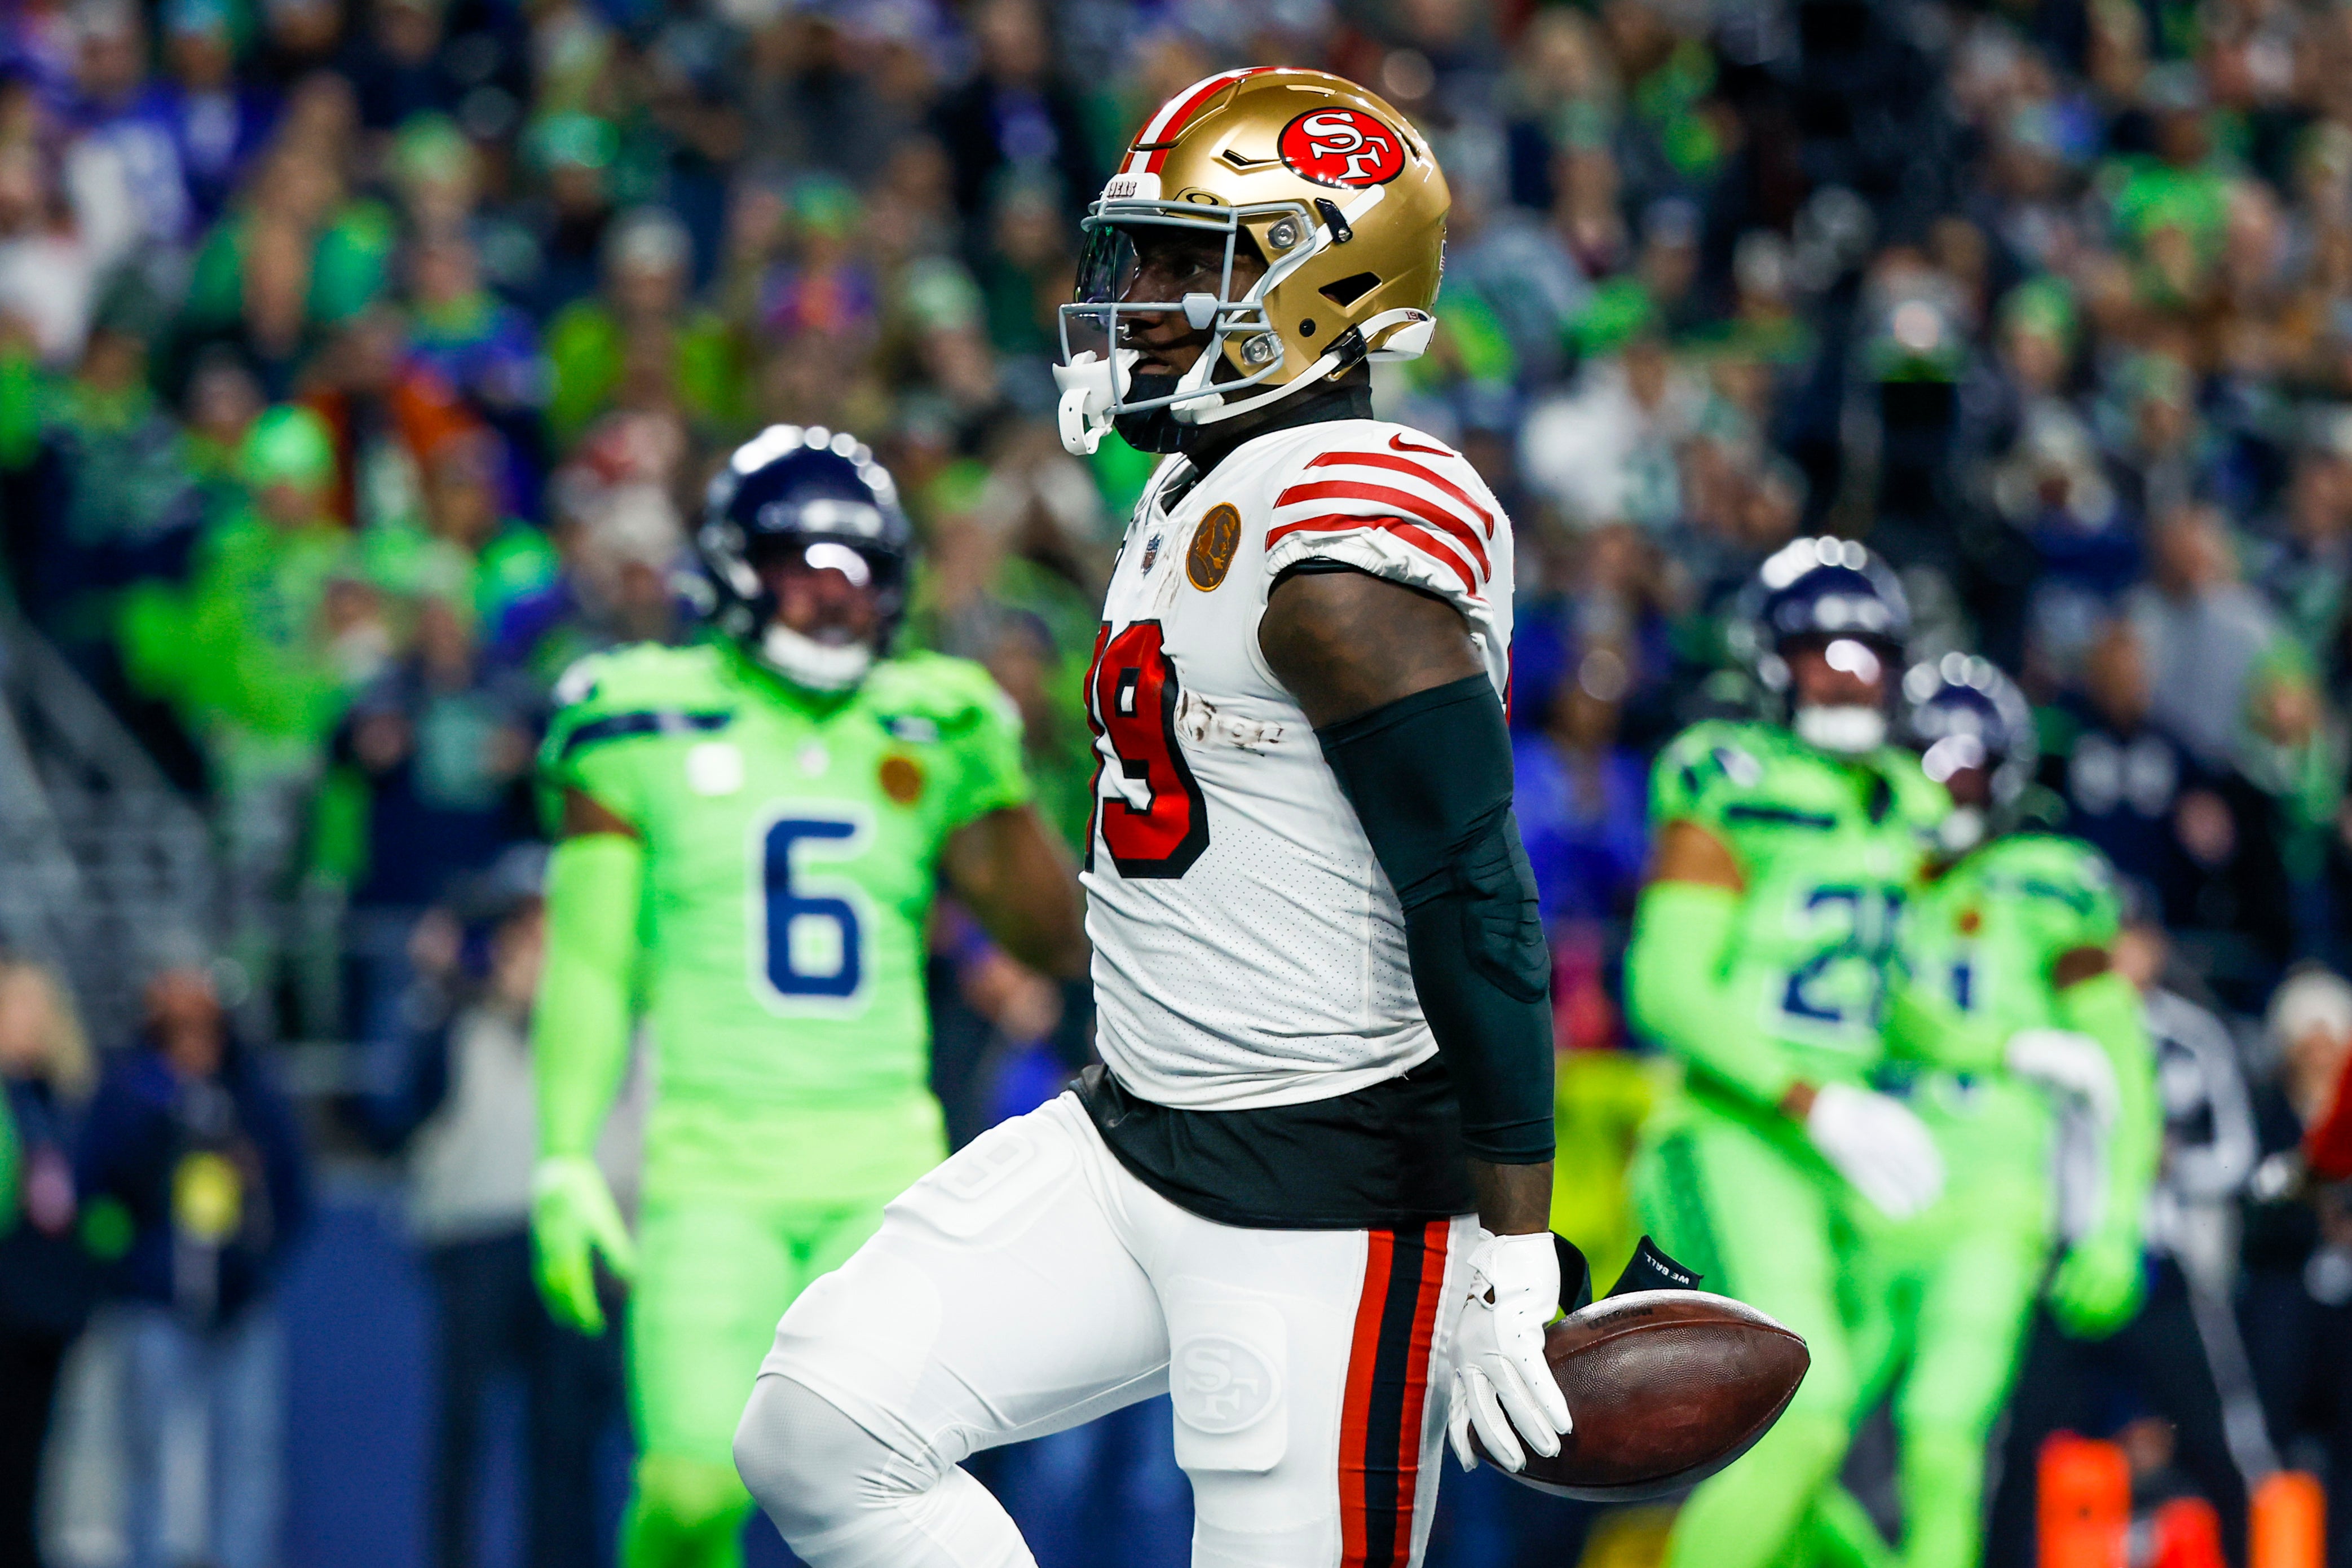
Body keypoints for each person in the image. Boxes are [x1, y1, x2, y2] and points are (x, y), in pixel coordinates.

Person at [737, 68, 1569, 1568]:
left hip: (1329, 1195)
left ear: (1326, 284)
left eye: (1193, 262)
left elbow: (1475, 887)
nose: (1141, 301)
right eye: (1142, 258)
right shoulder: (1202, 479)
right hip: (1135, 1135)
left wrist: (1514, 1243)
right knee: (822, 1425)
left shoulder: (1340, 548)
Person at [528, 424, 1087, 1568]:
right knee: (689, 1488)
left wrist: (1005, 776)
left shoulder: (935, 717)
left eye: (857, 571)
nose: (833, 597)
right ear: (735, 569)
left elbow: (1054, 941)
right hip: (710, 1169)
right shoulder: (639, 713)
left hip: (884, 1170)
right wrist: (564, 1152)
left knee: (893, 1494)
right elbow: (589, 958)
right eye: (803, 567)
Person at [1623, 536, 1949, 1568]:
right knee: (1805, 1409)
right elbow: (1666, 985)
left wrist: (2013, 1051)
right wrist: (1813, 1099)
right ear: (1768, 661)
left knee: (1815, 1439)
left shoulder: (1907, 800)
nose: (1847, 676)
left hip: (1846, 1144)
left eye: (1867, 654)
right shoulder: (1731, 774)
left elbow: (1900, 988)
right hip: (1733, 1127)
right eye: (1821, 652)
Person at [1855, 654, 2160, 1568]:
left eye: (1968, 764)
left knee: (1942, 1435)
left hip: (1991, 1189)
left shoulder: (2047, 881)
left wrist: (2114, 1221)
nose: (1948, 784)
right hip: (1848, 1186)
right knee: (1791, 1433)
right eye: (1929, 761)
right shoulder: (1857, 860)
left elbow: (2120, 1061)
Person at [76, 962, 311, 1568]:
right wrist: (131, 1264)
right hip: (155, 1303)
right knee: (149, 1457)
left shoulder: (250, 1091)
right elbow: (97, 1188)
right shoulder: (130, 1088)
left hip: (240, 1304)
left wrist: (257, 1257)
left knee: (249, 1462)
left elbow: (293, 1191)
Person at [0, 960, 95, 1568]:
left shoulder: (65, 1101)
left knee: (32, 1453)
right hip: (7, 1298)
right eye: (16, 1008)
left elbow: (93, 1205)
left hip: (47, 1308)